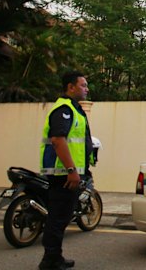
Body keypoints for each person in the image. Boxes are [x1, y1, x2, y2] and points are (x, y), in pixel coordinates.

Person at [39, 71, 94, 270]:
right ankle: (50, 260)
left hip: (70, 173)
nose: (86, 89)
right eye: (83, 85)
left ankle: (55, 257)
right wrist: (72, 170)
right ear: (71, 87)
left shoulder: (74, 109)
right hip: (63, 174)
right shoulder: (64, 109)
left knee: (62, 216)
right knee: (58, 217)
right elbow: (58, 139)